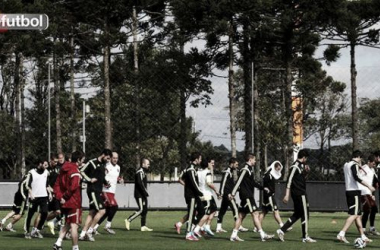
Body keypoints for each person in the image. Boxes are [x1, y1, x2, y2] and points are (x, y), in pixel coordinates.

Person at [229, 154, 273, 242]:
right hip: (247, 196)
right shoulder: (245, 169)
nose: (255, 161)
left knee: (241, 216)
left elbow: (253, 183)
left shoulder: (249, 170)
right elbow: (238, 181)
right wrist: (232, 193)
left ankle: (233, 235)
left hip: (247, 196)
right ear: (250, 159)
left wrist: (262, 188)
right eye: (254, 159)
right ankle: (262, 234)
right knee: (255, 214)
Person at [276, 149, 316, 243]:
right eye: (306, 158)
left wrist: (306, 173)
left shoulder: (301, 166)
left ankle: (281, 230)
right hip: (299, 194)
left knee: (298, 214)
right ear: (304, 157)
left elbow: (301, 179)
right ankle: (305, 236)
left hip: (300, 192)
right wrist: (286, 195)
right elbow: (289, 180)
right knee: (305, 214)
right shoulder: (295, 166)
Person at [336, 150, 375, 244]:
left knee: (358, 215)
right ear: (359, 157)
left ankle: (363, 236)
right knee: (354, 214)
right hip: (354, 192)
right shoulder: (355, 164)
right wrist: (369, 186)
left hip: (348, 191)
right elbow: (356, 177)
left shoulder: (346, 164)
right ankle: (341, 233)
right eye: (360, 159)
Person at [53, 150, 85, 250]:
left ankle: (58, 243)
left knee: (67, 223)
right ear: (78, 160)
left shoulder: (63, 169)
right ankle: (75, 248)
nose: (83, 162)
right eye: (82, 160)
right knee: (74, 226)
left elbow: (56, 185)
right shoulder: (75, 171)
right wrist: (65, 197)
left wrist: (60, 197)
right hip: (74, 202)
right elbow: (74, 186)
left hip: (66, 203)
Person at [79, 149, 113, 241]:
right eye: (107, 158)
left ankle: (82, 234)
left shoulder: (103, 164)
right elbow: (81, 171)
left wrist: (106, 183)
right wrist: (89, 179)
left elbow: (101, 176)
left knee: (92, 213)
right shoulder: (92, 162)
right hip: (93, 190)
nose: (108, 160)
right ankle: (89, 232)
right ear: (103, 155)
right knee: (102, 211)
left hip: (98, 190)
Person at [94, 152, 123, 234]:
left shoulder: (118, 167)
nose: (115, 159)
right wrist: (104, 183)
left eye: (117, 158)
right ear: (110, 158)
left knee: (106, 211)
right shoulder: (106, 166)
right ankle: (107, 226)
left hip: (112, 191)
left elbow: (115, 176)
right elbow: (102, 176)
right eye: (114, 158)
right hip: (106, 191)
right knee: (114, 207)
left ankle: (94, 227)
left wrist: (119, 179)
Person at [24, 160, 51, 239]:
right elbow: (27, 185)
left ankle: (37, 230)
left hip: (44, 196)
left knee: (45, 213)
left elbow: (47, 184)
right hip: (34, 197)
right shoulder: (31, 173)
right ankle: (27, 232)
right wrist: (31, 193)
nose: (47, 166)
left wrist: (50, 193)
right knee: (30, 215)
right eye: (45, 164)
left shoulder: (46, 172)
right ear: (40, 164)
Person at [193, 158, 219, 237]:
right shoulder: (207, 172)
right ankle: (196, 229)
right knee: (207, 213)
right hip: (206, 195)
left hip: (202, 194)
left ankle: (206, 227)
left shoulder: (197, 172)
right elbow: (209, 183)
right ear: (207, 164)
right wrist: (216, 191)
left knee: (214, 210)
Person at [125, 158, 153, 231]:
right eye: (148, 164)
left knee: (145, 209)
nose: (149, 165)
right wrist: (145, 192)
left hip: (143, 194)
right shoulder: (139, 172)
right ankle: (128, 220)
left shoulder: (144, 172)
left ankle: (143, 226)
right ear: (143, 164)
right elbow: (140, 183)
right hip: (139, 194)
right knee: (141, 209)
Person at [259, 161, 288, 229]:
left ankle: (257, 227)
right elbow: (265, 183)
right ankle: (282, 226)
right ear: (274, 167)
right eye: (277, 168)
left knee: (264, 212)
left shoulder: (271, 175)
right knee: (275, 210)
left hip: (268, 195)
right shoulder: (268, 175)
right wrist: (268, 191)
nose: (278, 170)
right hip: (269, 196)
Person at [183, 152, 204, 241]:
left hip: (194, 195)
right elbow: (193, 183)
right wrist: (200, 193)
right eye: (200, 159)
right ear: (196, 159)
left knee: (202, 211)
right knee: (191, 213)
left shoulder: (194, 168)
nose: (201, 160)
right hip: (191, 195)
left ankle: (192, 228)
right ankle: (188, 234)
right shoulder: (190, 169)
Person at [216, 157, 240, 233]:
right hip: (227, 195)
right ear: (232, 163)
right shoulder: (227, 172)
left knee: (222, 210)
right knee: (235, 208)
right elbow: (223, 183)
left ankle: (218, 227)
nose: (237, 166)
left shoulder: (231, 172)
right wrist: (222, 193)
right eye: (236, 164)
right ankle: (238, 226)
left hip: (227, 194)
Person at [359, 154, 379, 236]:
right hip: (363, 192)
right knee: (368, 209)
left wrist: (372, 194)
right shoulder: (363, 168)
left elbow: (373, 182)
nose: (374, 165)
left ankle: (371, 228)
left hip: (369, 193)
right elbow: (359, 179)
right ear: (369, 162)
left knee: (373, 209)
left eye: (375, 164)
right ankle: (363, 229)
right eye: (373, 163)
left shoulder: (372, 170)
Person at [45, 154, 62, 235]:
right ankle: (36, 228)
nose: (56, 163)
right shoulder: (46, 170)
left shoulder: (58, 169)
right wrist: (50, 191)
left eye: (57, 162)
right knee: (43, 211)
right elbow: (45, 183)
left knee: (58, 211)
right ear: (50, 160)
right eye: (54, 162)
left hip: (55, 193)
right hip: (47, 193)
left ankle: (45, 220)